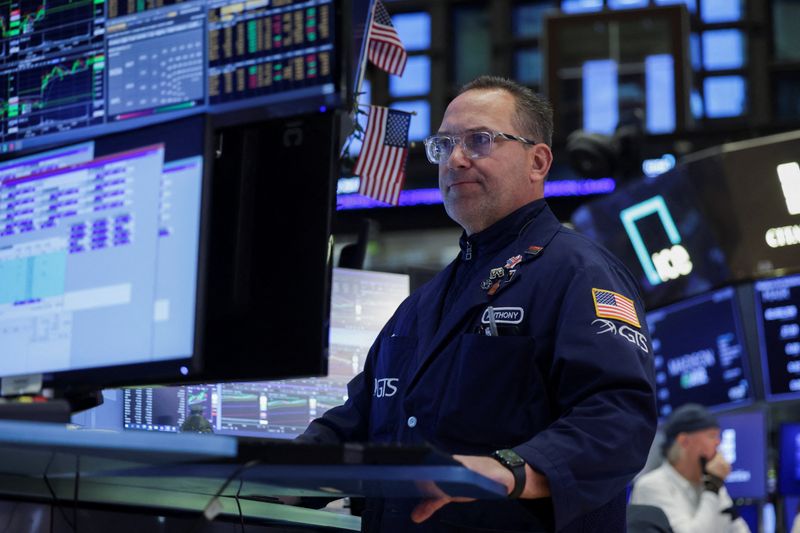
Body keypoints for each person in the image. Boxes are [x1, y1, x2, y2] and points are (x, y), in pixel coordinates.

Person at [299, 75, 657, 532]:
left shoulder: (579, 273)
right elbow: (356, 420)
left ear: (539, 161)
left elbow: (619, 420)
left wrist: (510, 468)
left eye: (480, 140)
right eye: (444, 144)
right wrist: (257, 473)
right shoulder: (421, 304)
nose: (456, 158)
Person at [630, 403, 750, 533]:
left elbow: (740, 529)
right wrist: (712, 488)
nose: (718, 443)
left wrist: (713, 486)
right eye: (712, 436)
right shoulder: (650, 486)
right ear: (684, 441)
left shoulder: (712, 484)